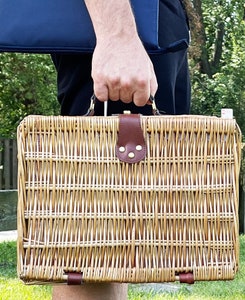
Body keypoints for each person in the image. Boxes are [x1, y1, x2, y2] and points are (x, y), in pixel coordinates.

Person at [51, 0, 190, 299]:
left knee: (113, 235)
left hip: (157, 26)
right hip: (122, 22)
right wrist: (118, 36)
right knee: (89, 241)